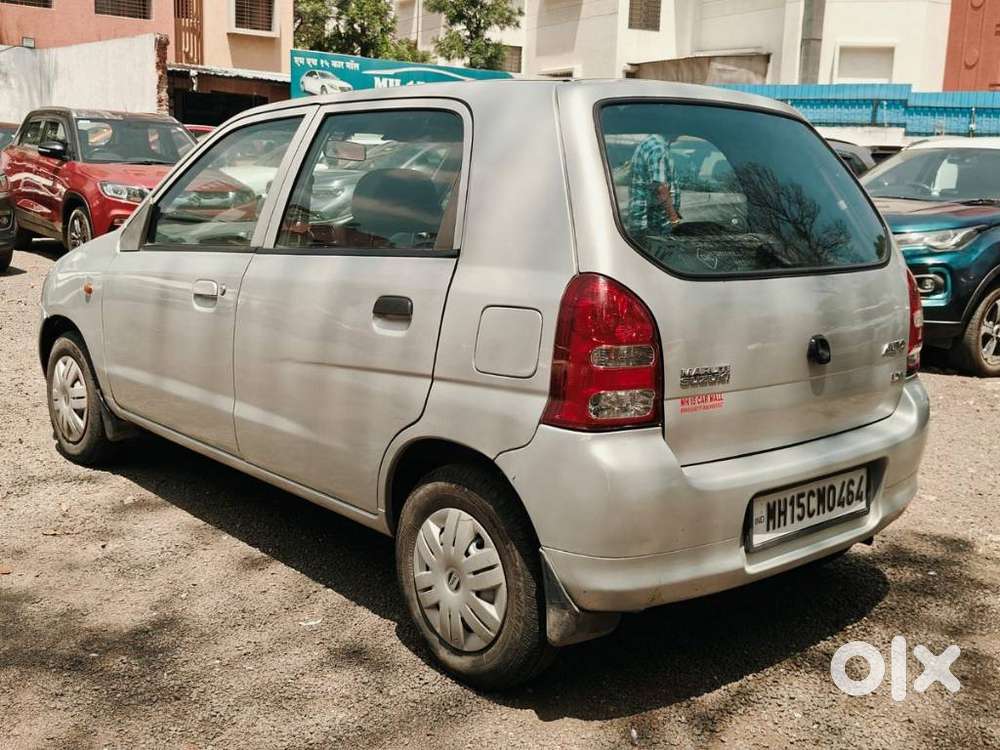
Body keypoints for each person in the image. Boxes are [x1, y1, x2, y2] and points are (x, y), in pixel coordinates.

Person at [628, 133, 682, 237]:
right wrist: (674, 220)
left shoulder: (650, 143)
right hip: (653, 228)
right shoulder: (658, 148)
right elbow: (660, 188)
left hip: (645, 224)